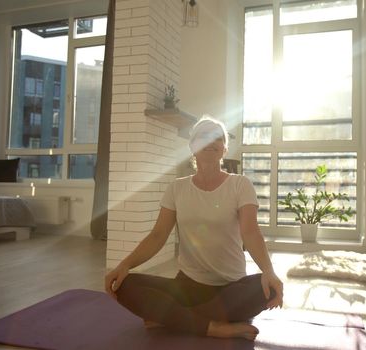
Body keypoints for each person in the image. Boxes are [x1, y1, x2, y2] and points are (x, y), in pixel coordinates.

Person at [104, 116, 283, 340]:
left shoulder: (240, 185)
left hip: (231, 287)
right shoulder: (176, 188)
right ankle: (214, 327)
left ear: (224, 149)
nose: (211, 141)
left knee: (265, 288)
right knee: (124, 285)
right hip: (187, 287)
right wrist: (124, 265)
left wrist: (268, 270)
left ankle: (171, 318)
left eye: (217, 138)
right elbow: (158, 235)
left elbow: (250, 231)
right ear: (192, 147)